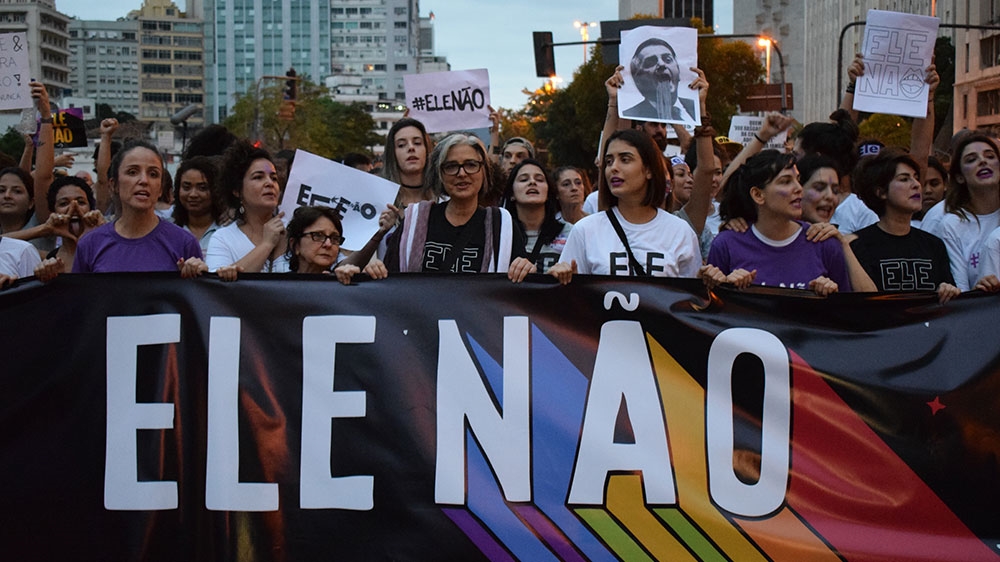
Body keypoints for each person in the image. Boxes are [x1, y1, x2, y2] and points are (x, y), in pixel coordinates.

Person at [338, 133, 534, 282]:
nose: (462, 173)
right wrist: (367, 273)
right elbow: (389, 280)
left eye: (471, 164)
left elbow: (522, 288)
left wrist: (528, 270)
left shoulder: (502, 225)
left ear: (484, 171)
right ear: (439, 174)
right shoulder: (414, 221)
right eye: (451, 166)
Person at [548, 128, 701, 282]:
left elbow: (691, 300)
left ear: (649, 170)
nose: (613, 167)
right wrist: (561, 279)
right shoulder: (585, 230)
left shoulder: (681, 232)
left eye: (625, 159)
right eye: (609, 161)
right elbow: (570, 299)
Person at [702, 150, 851, 296]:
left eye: (798, 180)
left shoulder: (823, 242)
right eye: (786, 182)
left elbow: (846, 311)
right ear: (758, 195)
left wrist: (830, 296)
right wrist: (728, 288)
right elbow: (712, 312)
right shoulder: (726, 244)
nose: (799, 189)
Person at [68, 141, 206, 276]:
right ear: (114, 185)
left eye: (153, 174)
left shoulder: (184, 243)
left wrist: (197, 275)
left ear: (160, 188)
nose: (144, 180)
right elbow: (79, 297)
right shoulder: (90, 245)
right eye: (132, 172)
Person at [850, 148, 959, 302]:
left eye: (915, 177)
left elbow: (951, 298)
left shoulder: (933, 245)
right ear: (881, 192)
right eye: (904, 179)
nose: (916, 185)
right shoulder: (858, 245)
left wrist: (948, 290)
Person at [206, 140, 289, 275]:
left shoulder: (295, 230)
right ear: (237, 190)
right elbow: (217, 289)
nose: (269, 183)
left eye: (273, 178)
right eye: (258, 177)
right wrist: (267, 244)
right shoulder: (223, 239)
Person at [939, 134, 1000, 291]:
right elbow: (961, 293)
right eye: (971, 160)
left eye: (990, 156)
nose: (983, 161)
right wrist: (978, 291)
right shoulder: (952, 225)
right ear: (960, 177)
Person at [503, 159, 572, 272]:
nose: (532, 182)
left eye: (539, 179)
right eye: (524, 179)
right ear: (511, 193)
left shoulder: (570, 233)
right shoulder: (500, 235)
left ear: (548, 191)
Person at [32, 176, 106, 280]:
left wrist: (105, 230)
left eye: (81, 202)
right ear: (53, 212)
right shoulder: (50, 261)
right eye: (64, 203)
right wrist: (45, 229)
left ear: (91, 208)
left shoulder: (106, 250)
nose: (73, 208)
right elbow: (3, 242)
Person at [622, 38, 696, 122]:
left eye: (668, 59)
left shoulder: (694, 106)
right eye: (650, 62)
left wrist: (701, 103)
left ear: (678, 70)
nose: (661, 64)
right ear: (637, 81)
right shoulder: (629, 116)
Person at [171, 156, 225, 254]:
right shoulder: (168, 230)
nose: (193, 194)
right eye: (186, 187)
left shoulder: (227, 230)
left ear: (215, 191)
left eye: (202, 188)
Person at [382, 117, 436, 209]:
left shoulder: (446, 198)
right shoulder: (380, 201)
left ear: (427, 149)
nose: (411, 148)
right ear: (392, 153)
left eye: (417, 143)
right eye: (401, 145)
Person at [286, 206, 345, 274]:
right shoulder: (279, 282)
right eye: (318, 235)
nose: (328, 244)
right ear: (295, 245)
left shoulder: (343, 282)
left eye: (335, 238)